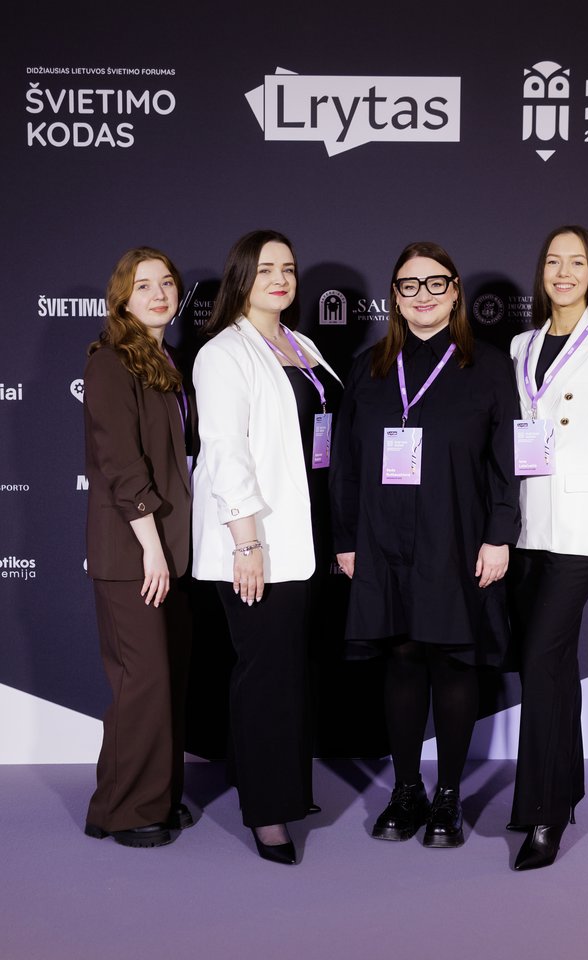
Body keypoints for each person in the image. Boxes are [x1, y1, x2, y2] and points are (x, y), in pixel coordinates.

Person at [330, 241, 521, 848]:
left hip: (457, 535)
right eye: (409, 285)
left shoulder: (488, 366)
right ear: (395, 296)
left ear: (455, 290)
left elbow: (506, 461)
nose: (423, 295)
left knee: (453, 660)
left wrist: (499, 535)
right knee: (403, 659)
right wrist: (346, 538)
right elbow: (346, 464)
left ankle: (449, 797)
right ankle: (407, 789)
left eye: (436, 283)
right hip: (382, 539)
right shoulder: (368, 367)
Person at [191, 229, 342, 865]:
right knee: (264, 677)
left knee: (291, 672)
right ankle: (267, 814)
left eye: (288, 268)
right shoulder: (223, 353)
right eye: (265, 269)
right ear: (241, 278)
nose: (279, 279)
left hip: (306, 534)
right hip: (258, 541)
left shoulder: (301, 344)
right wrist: (246, 542)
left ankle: (288, 790)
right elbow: (225, 452)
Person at [508, 225, 588, 870]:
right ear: (542, 271)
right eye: (553, 261)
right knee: (554, 667)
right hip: (528, 528)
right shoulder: (521, 344)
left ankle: (543, 814)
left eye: (577, 263)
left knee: (541, 662)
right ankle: (569, 787)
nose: (563, 273)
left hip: (582, 532)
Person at [83, 247, 196, 848]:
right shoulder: (109, 362)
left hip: (169, 547)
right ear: (122, 297)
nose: (158, 294)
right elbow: (122, 464)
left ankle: (150, 797)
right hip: (134, 550)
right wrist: (151, 547)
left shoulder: (166, 360)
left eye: (167, 283)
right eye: (144, 284)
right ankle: (125, 811)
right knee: (142, 681)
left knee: (163, 680)